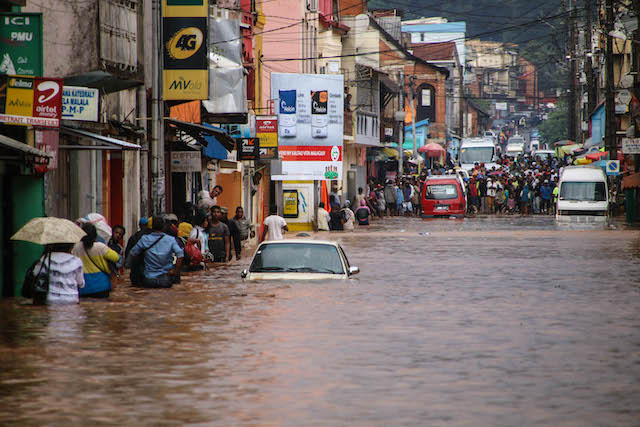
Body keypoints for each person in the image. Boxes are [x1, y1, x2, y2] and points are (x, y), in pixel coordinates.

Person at [127, 217, 184, 288]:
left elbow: (133, 253)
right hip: (166, 279)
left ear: (152, 227)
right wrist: (175, 271)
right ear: (164, 227)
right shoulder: (171, 240)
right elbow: (180, 254)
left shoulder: (145, 239)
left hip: (149, 279)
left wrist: (127, 266)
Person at [73, 223, 120, 298]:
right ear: (95, 235)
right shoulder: (101, 247)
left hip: (83, 288)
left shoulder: (75, 248)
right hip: (102, 286)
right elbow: (116, 257)